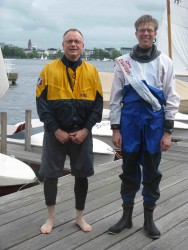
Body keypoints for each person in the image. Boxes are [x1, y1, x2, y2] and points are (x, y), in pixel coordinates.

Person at [108, 15, 180, 239]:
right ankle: (126, 217)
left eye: (149, 30)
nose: (146, 33)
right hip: (129, 127)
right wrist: (116, 129)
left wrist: (167, 132)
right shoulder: (123, 62)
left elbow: (171, 99)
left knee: (151, 174)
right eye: (142, 30)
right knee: (128, 173)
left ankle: (149, 219)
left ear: (155, 33)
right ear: (136, 33)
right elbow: (115, 99)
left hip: (153, 127)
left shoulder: (165, 62)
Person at [36, 28, 103, 234]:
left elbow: (97, 106)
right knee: (50, 175)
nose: (73, 44)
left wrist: (85, 129)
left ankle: (79, 217)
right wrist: (55, 129)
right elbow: (42, 104)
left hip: (81, 134)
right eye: (69, 41)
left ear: (83, 46)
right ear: (63, 45)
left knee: (81, 175)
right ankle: (50, 218)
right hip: (55, 134)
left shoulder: (92, 71)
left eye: (77, 41)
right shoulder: (48, 69)